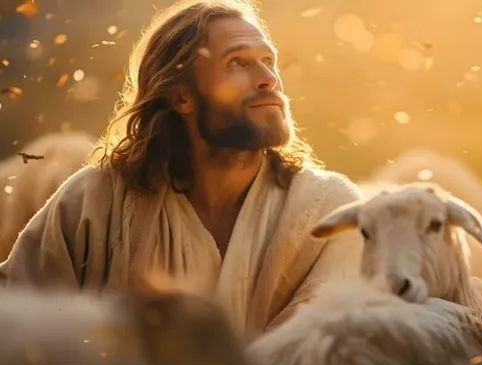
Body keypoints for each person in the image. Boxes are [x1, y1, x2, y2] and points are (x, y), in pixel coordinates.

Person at [0, 0, 363, 339]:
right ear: (181, 96)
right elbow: (17, 321)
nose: (269, 78)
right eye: (237, 62)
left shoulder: (330, 212)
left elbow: (326, 352)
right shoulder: (95, 201)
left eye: (269, 61)